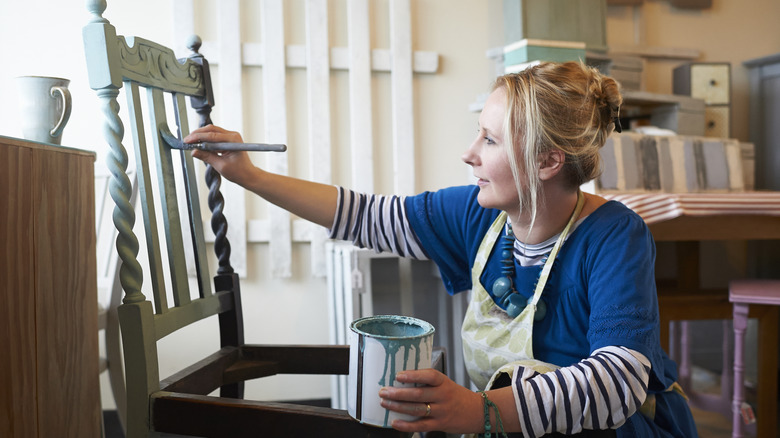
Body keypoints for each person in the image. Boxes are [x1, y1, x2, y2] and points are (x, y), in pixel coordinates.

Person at [185, 61, 698, 437]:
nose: (469, 153)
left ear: (546, 160)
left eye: (490, 141)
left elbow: (616, 383)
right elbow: (364, 215)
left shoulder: (615, 236)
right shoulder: (480, 214)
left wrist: (480, 411)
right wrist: (249, 176)